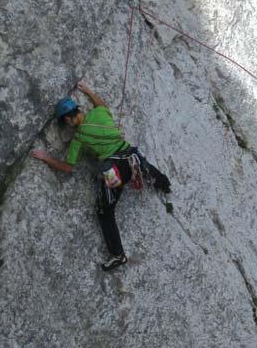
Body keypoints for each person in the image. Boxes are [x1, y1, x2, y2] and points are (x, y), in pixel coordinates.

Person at [31, 81, 171, 271]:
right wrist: (89, 91)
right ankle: (163, 184)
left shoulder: (78, 139)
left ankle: (118, 255)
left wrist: (47, 158)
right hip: (131, 157)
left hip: (115, 171)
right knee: (142, 163)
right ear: (78, 111)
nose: (68, 126)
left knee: (104, 212)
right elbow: (101, 104)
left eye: (66, 123)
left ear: (68, 120)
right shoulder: (99, 113)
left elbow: (68, 167)